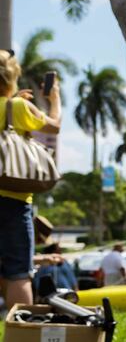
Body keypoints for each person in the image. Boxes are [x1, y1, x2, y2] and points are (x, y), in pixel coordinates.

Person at [0, 49, 61, 309]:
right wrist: (53, 98)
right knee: (18, 273)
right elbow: (54, 126)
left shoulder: (15, 104)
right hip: (13, 200)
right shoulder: (19, 107)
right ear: (12, 77)